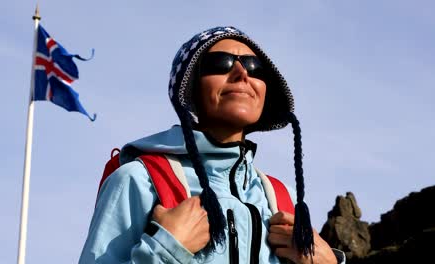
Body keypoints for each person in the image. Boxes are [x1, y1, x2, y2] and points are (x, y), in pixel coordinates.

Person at [79, 26, 345, 263]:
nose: (242, 73)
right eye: (221, 63)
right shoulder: (140, 179)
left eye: (255, 67)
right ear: (191, 88)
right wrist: (165, 250)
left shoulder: (279, 198)